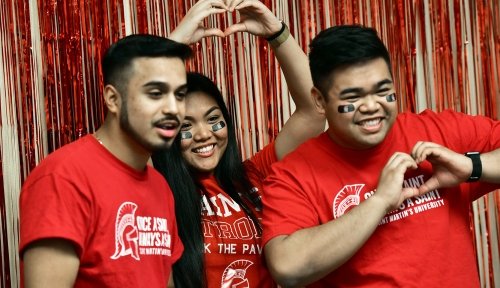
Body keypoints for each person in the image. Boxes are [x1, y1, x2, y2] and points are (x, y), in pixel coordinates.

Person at [261, 24, 500, 287]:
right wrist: (379, 202)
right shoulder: (294, 173)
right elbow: (286, 267)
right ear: (319, 100)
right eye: (353, 97)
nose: (372, 106)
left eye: (383, 91)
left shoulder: (438, 131)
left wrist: (471, 165)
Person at [152, 0, 325, 287]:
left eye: (213, 119)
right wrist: (173, 46)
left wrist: (276, 33)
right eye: (186, 126)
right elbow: (129, 121)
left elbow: (314, 109)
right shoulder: (154, 186)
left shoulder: (254, 175)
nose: (204, 134)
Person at [19, 34, 192, 287]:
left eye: (179, 95)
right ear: (113, 99)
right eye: (156, 93)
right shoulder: (63, 178)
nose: (173, 109)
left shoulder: (160, 186)